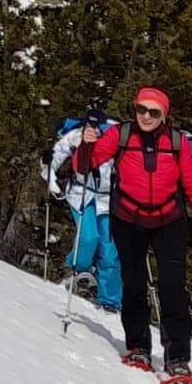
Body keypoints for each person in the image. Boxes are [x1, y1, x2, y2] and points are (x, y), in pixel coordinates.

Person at [87, 85, 192, 382]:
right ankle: (137, 347)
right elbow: (86, 164)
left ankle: (178, 359)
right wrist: (86, 144)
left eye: (153, 111)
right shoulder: (119, 135)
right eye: (140, 109)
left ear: (164, 115)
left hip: (168, 220)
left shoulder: (177, 143)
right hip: (128, 219)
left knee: (173, 286)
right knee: (133, 284)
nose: (145, 116)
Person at [49, 115, 122, 311]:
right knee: (89, 237)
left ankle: (111, 301)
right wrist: (49, 175)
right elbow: (58, 151)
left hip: (108, 200)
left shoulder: (122, 139)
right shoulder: (81, 133)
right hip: (81, 194)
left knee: (110, 250)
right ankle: (77, 270)